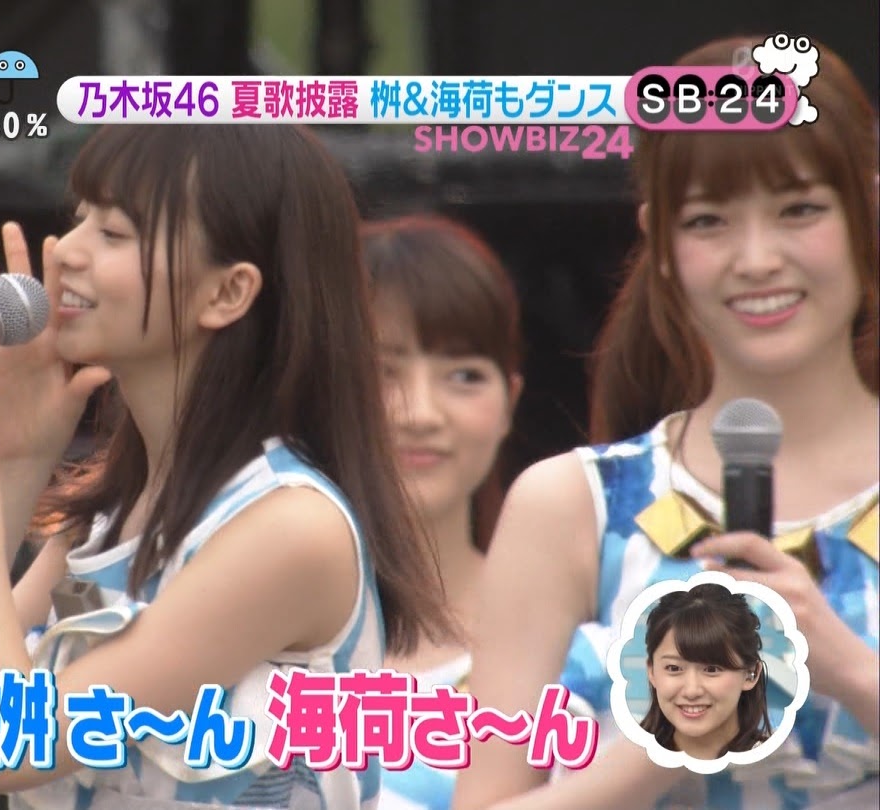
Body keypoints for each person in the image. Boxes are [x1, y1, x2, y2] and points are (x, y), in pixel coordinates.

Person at [0, 124, 456, 808]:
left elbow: (0, 750)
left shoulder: (292, 528)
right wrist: (10, 464)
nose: (68, 251)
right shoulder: (107, 518)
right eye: (79, 217)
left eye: (114, 232)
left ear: (227, 292)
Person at [455, 36, 879, 810]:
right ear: (659, 244)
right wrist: (672, 741)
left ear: (868, 212)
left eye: (799, 210)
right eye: (710, 220)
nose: (757, 258)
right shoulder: (572, 507)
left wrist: (848, 669)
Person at [358, 216, 526, 808]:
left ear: (510, 402)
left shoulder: (579, 636)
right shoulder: (239, 628)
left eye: (464, 375)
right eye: (382, 372)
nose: (421, 413)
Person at [639, 584, 772, 761]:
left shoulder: (781, 763)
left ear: (750, 673)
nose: (692, 691)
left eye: (711, 669)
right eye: (674, 668)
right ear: (652, 671)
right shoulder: (622, 761)